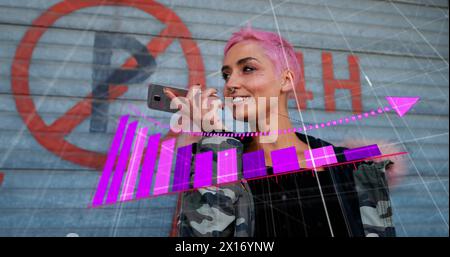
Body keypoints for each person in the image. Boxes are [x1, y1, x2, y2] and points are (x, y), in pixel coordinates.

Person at [165, 26, 396, 237]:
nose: (230, 84)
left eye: (247, 68)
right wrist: (211, 139)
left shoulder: (351, 167)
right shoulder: (219, 160)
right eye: (227, 74)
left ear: (286, 80)